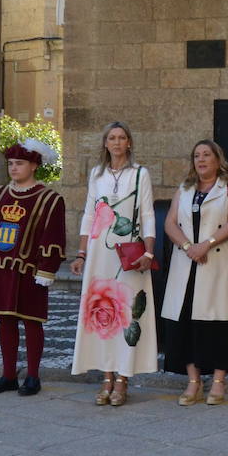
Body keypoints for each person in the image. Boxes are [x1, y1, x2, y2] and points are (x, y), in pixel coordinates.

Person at [0, 140, 66, 396]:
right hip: (1, 268)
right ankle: (8, 375)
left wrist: (47, 268)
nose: (14, 168)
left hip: (31, 270)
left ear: (33, 166)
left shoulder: (49, 199)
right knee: (5, 321)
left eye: (19, 163)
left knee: (32, 322)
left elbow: (53, 236)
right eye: (10, 164)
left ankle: (32, 376)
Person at [70, 122, 159, 407]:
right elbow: (88, 214)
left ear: (129, 143)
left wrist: (148, 252)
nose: (117, 142)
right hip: (100, 251)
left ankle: (123, 378)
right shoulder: (96, 174)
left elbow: (147, 214)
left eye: (122, 138)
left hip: (129, 253)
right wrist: (82, 253)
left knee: (128, 312)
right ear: (105, 143)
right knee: (103, 314)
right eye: (112, 138)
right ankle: (106, 376)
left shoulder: (140, 173)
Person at [162, 140, 228, 406]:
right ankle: (193, 381)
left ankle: (219, 381)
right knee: (186, 322)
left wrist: (205, 245)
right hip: (187, 264)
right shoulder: (184, 189)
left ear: (217, 158)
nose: (201, 160)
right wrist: (188, 247)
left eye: (206, 155)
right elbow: (170, 222)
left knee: (219, 323)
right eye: (197, 156)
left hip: (216, 264)